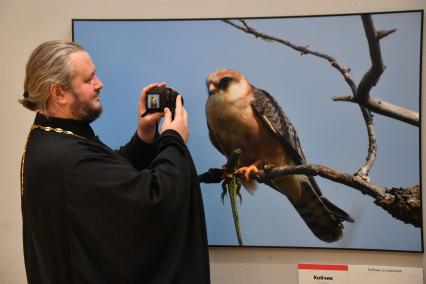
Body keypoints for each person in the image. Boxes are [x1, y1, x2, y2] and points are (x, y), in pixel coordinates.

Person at [19, 40, 210, 284]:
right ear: (59, 93)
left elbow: (108, 180)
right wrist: (174, 140)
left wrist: (144, 137)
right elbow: (154, 198)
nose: (100, 84)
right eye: (88, 80)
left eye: (95, 75)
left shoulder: (49, 138)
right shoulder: (68, 160)